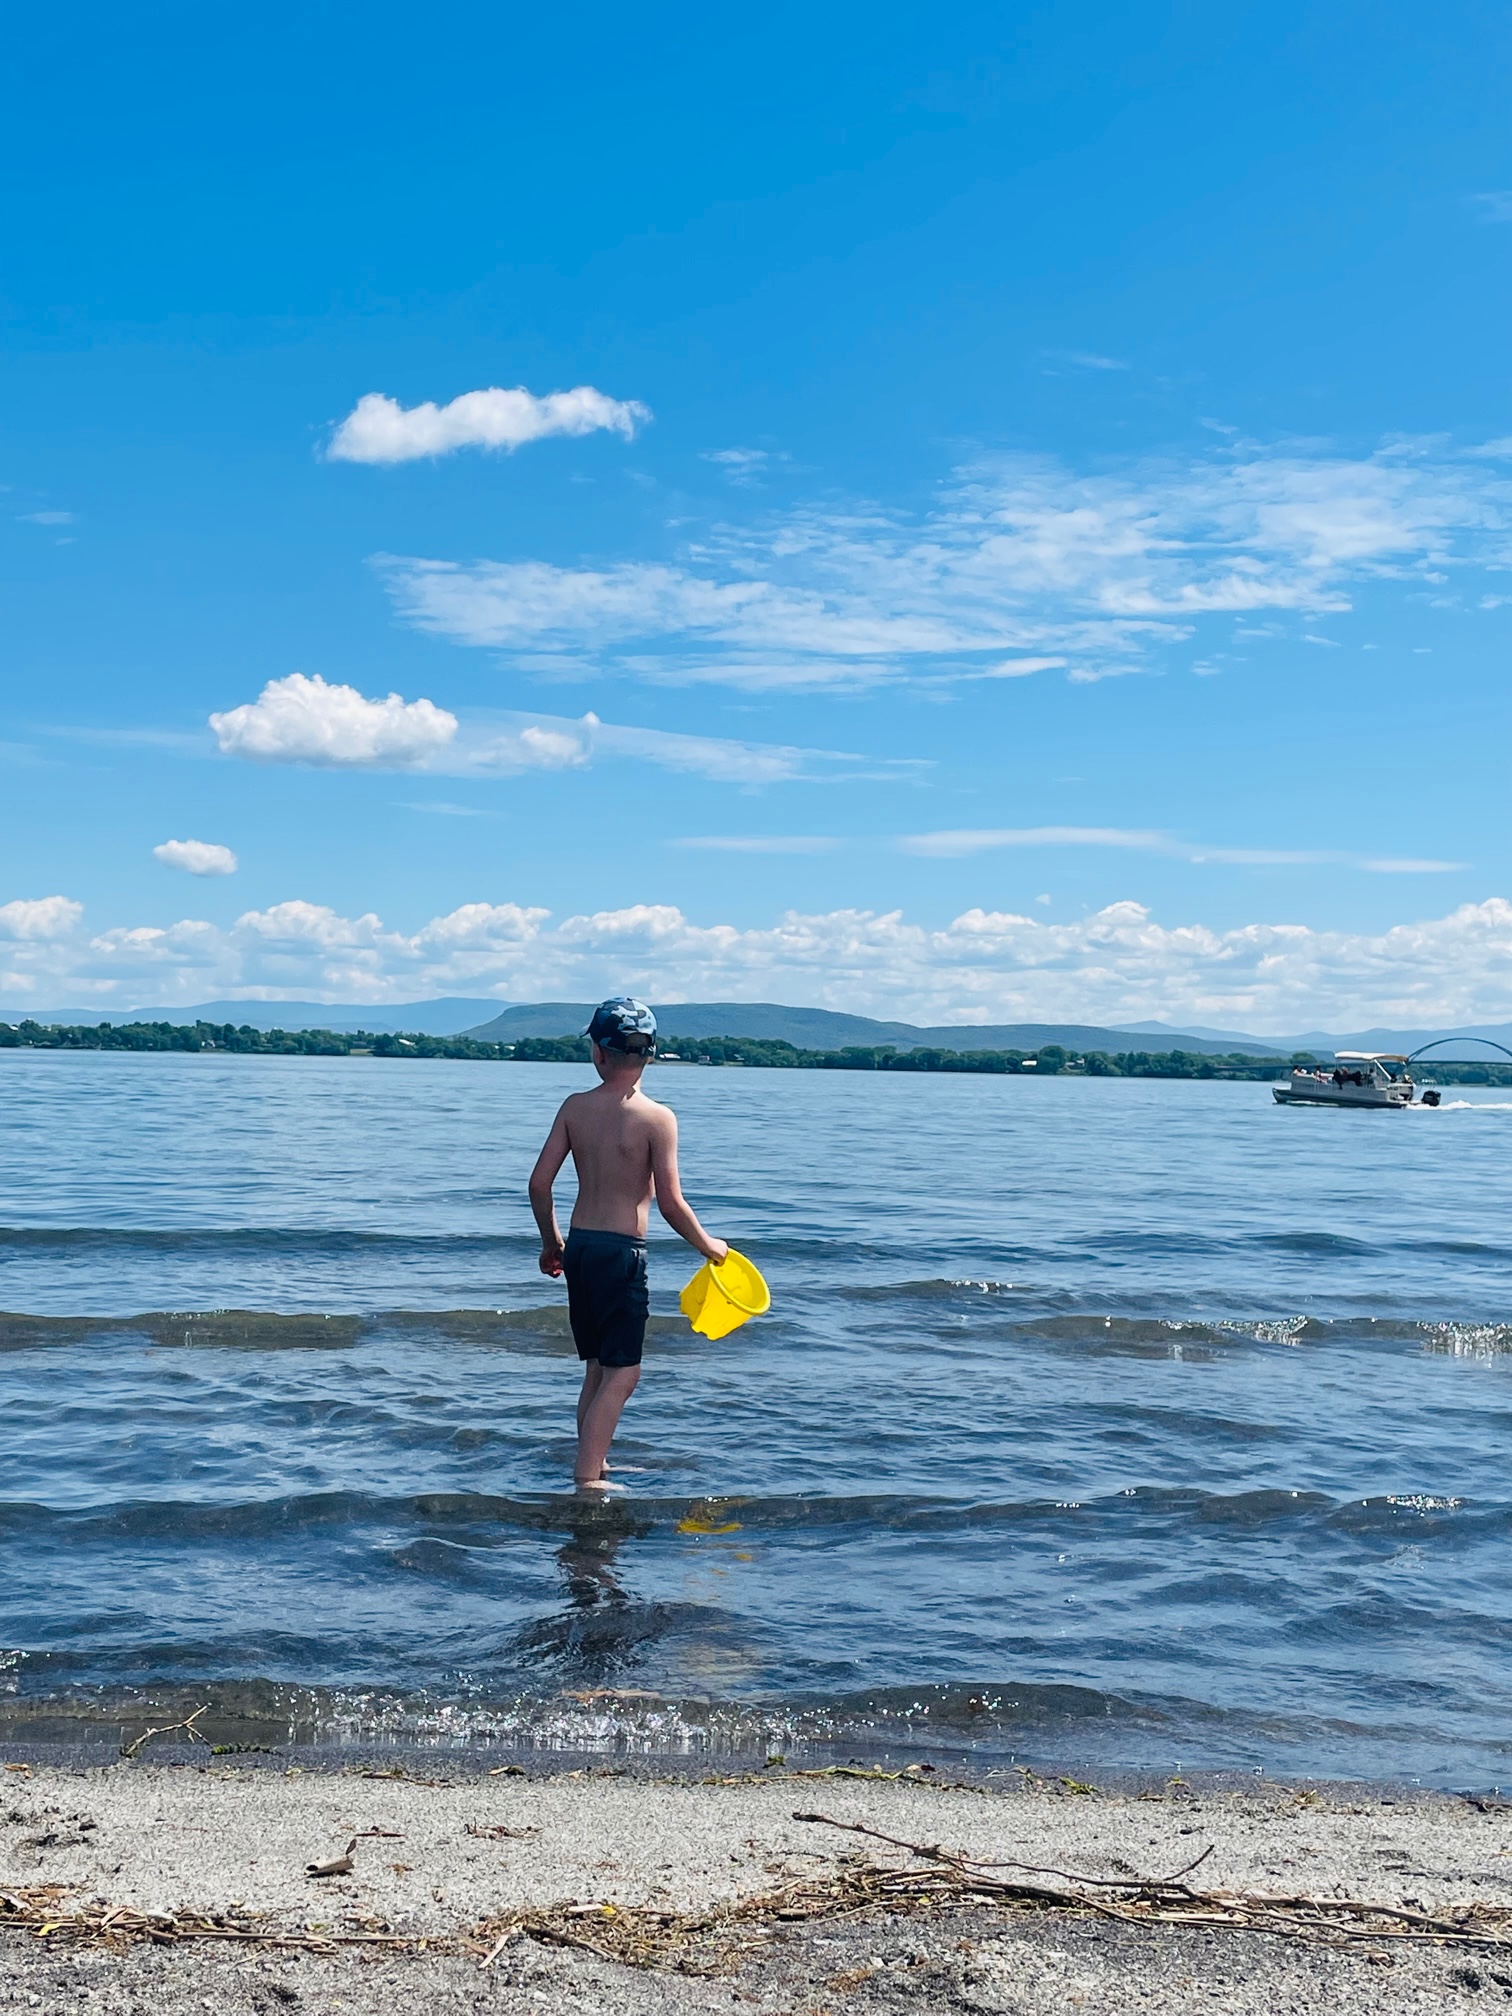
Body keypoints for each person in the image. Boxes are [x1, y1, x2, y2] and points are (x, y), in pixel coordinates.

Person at [528, 998, 728, 1491]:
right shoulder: (657, 1119)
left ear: (596, 1052)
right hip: (621, 1255)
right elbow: (671, 1204)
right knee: (624, 1373)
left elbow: (538, 1184)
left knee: (597, 1367)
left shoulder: (574, 1108)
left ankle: (595, 1463)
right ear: (652, 1054)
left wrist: (552, 1242)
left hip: (580, 1249)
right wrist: (709, 1246)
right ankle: (587, 1478)